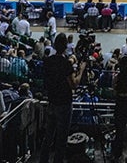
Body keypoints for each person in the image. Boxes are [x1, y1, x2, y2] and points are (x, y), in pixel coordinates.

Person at [40, 33, 86, 163]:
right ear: (66, 46)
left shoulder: (48, 61)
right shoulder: (66, 64)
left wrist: (69, 61)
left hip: (51, 101)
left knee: (48, 137)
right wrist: (81, 70)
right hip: (64, 104)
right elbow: (74, 84)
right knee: (61, 138)